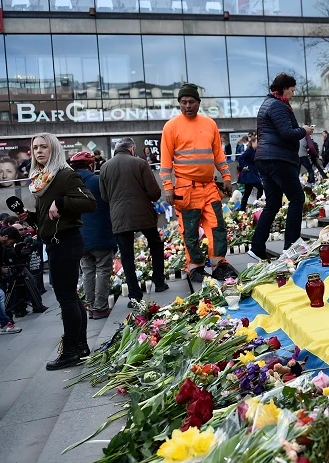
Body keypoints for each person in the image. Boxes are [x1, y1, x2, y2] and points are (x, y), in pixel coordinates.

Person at [27, 133, 96, 370]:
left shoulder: (64, 175)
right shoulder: (41, 179)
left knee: (65, 298)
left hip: (65, 242)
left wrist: (63, 202)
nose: (39, 151)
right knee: (71, 297)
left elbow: (89, 203)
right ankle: (81, 347)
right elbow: (50, 217)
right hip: (56, 240)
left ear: (54, 149)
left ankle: (70, 351)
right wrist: (31, 218)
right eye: (35, 147)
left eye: (44, 147)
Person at [161, 83, 237, 283]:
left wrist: (226, 177)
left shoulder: (210, 124)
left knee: (217, 226)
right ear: (179, 103)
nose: (187, 105)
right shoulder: (171, 127)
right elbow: (166, 162)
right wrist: (168, 188)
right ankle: (195, 267)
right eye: (184, 102)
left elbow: (219, 155)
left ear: (198, 103)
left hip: (209, 186)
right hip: (186, 189)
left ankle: (219, 263)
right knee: (190, 231)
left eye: (191, 102)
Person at [100, 138, 168, 306]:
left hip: (119, 217)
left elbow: (104, 197)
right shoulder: (140, 163)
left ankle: (134, 295)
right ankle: (159, 281)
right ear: (131, 148)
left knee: (127, 256)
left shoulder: (104, 167)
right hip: (143, 214)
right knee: (156, 244)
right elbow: (154, 192)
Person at [250, 73, 309, 260]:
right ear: (284, 89)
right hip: (277, 158)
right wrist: (304, 131)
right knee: (297, 198)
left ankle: (257, 248)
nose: (293, 93)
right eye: (292, 90)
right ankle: (291, 245)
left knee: (273, 204)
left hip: (267, 158)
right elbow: (287, 133)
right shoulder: (278, 105)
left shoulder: (269, 103)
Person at [69, 152, 117, 320]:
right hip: (100, 234)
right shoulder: (97, 181)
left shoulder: (68, 185)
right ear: (91, 166)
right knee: (103, 270)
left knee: (88, 272)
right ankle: (100, 307)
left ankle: (90, 307)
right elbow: (110, 203)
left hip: (79, 237)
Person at [237, 136, 263, 210]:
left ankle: (243, 208)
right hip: (250, 175)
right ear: (253, 142)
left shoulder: (255, 151)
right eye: (257, 142)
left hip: (252, 174)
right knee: (260, 188)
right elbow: (240, 158)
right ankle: (258, 203)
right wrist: (244, 166)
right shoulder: (249, 151)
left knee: (247, 193)